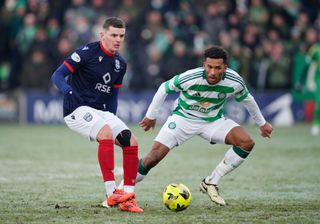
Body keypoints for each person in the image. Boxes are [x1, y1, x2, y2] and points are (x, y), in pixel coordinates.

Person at [134, 45, 273, 205]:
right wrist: (151, 116)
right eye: (209, 67)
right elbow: (164, 88)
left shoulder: (234, 81)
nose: (213, 72)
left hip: (212, 121)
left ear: (225, 68)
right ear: (204, 65)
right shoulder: (190, 77)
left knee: (246, 142)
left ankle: (211, 182)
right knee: (152, 158)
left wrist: (262, 123)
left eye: (218, 68)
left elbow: (248, 100)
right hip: (182, 119)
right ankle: (123, 190)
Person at [51, 17, 143, 213]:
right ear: (103, 35)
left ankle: (128, 196)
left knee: (131, 141)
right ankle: (111, 193)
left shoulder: (120, 64)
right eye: (113, 35)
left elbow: (113, 95)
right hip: (76, 109)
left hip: (100, 111)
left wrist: (112, 117)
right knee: (106, 133)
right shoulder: (87, 52)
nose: (118, 39)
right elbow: (57, 75)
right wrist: (68, 92)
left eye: (121, 36)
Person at [306, 41, 320, 136]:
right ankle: (316, 124)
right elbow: (308, 64)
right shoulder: (315, 49)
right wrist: (309, 80)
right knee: (318, 103)